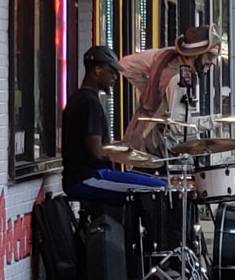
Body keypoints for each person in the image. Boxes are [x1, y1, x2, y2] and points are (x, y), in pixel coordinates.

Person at [62, 46, 166, 203]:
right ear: (97, 70)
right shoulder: (89, 103)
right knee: (157, 187)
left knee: (150, 185)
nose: (115, 77)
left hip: (85, 177)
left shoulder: (80, 98)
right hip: (87, 178)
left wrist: (120, 148)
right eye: (111, 71)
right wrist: (123, 152)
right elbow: (96, 152)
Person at [119, 25, 222, 156]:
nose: (212, 63)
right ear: (196, 55)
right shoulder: (179, 79)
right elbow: (180, 127)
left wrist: (150, 89)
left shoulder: (163, 56)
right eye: (210, 56)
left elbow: (124, 65)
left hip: (137, 139)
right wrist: (218, 121)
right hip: (155, 149)